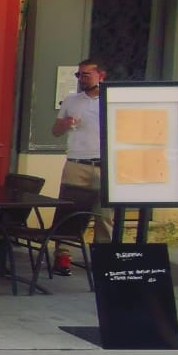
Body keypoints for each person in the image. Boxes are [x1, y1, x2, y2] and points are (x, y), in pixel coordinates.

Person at [53, 58, 111, 255]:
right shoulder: (71, 100)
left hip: (105, 164)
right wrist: (65, 123)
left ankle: (102, 258)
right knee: (69, 211)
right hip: (77, 163)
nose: (82, 79)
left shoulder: (111, 100)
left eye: (86, 75)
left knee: (104, 215)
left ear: (100, 76)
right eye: (79, 75)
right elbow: (56, 131)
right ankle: (63, 256)